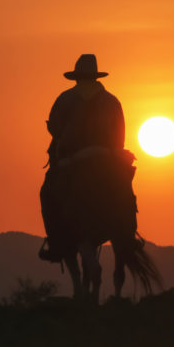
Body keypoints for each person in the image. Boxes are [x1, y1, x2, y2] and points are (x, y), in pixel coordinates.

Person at [38, 54, 132, 262]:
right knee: (126, 188)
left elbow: (54, 127)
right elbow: (120, 131)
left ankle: (55, 241)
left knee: (47, 193)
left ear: (77, 77)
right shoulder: (111, 100)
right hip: (107, 155)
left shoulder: (65, 98)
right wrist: (115, 150)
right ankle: (129, 232)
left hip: (71, 157)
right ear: (96, 76)